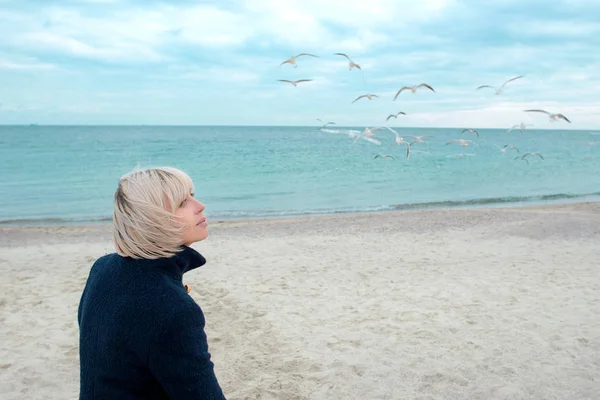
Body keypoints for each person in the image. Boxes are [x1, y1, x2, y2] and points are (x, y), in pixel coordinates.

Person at [78, 166, 226, 399]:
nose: (200, 206)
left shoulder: (102, 268)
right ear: (153, 219)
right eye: (181, 202)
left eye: (192, 196)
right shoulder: (173, 309)